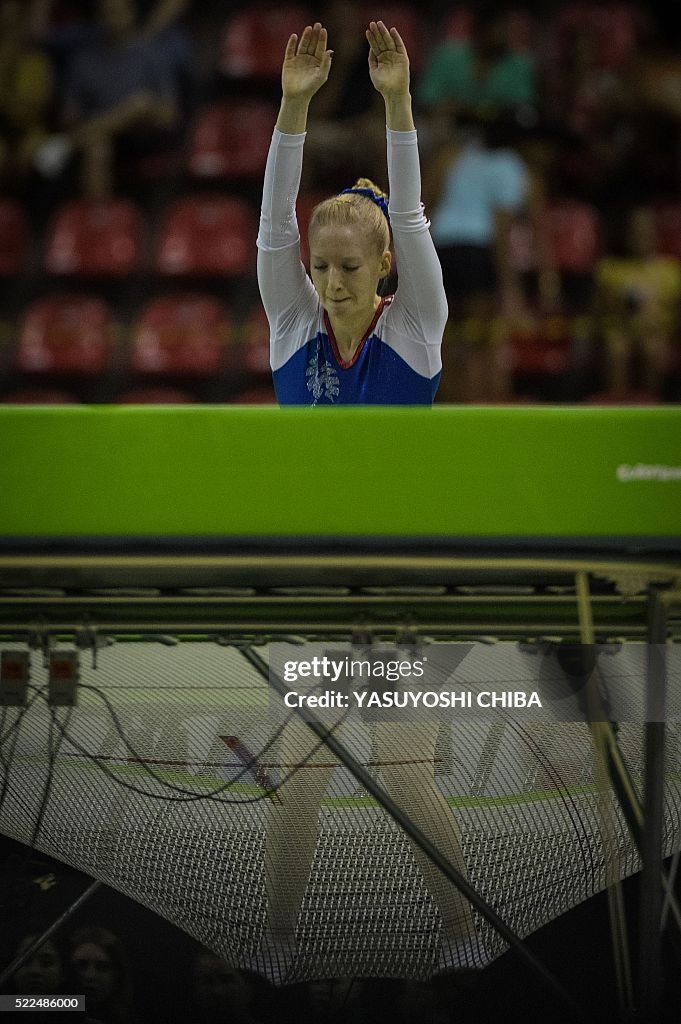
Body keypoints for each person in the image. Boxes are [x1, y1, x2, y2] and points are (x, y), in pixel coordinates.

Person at [257, 20, 447, 405]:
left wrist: (397, 101)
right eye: (321, 266)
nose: (333, 283)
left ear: (383, 264)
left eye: (349, 266)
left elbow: (408, 214)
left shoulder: (414, 324)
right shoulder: (295, 322)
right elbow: (275, 221)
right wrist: (294, 104)